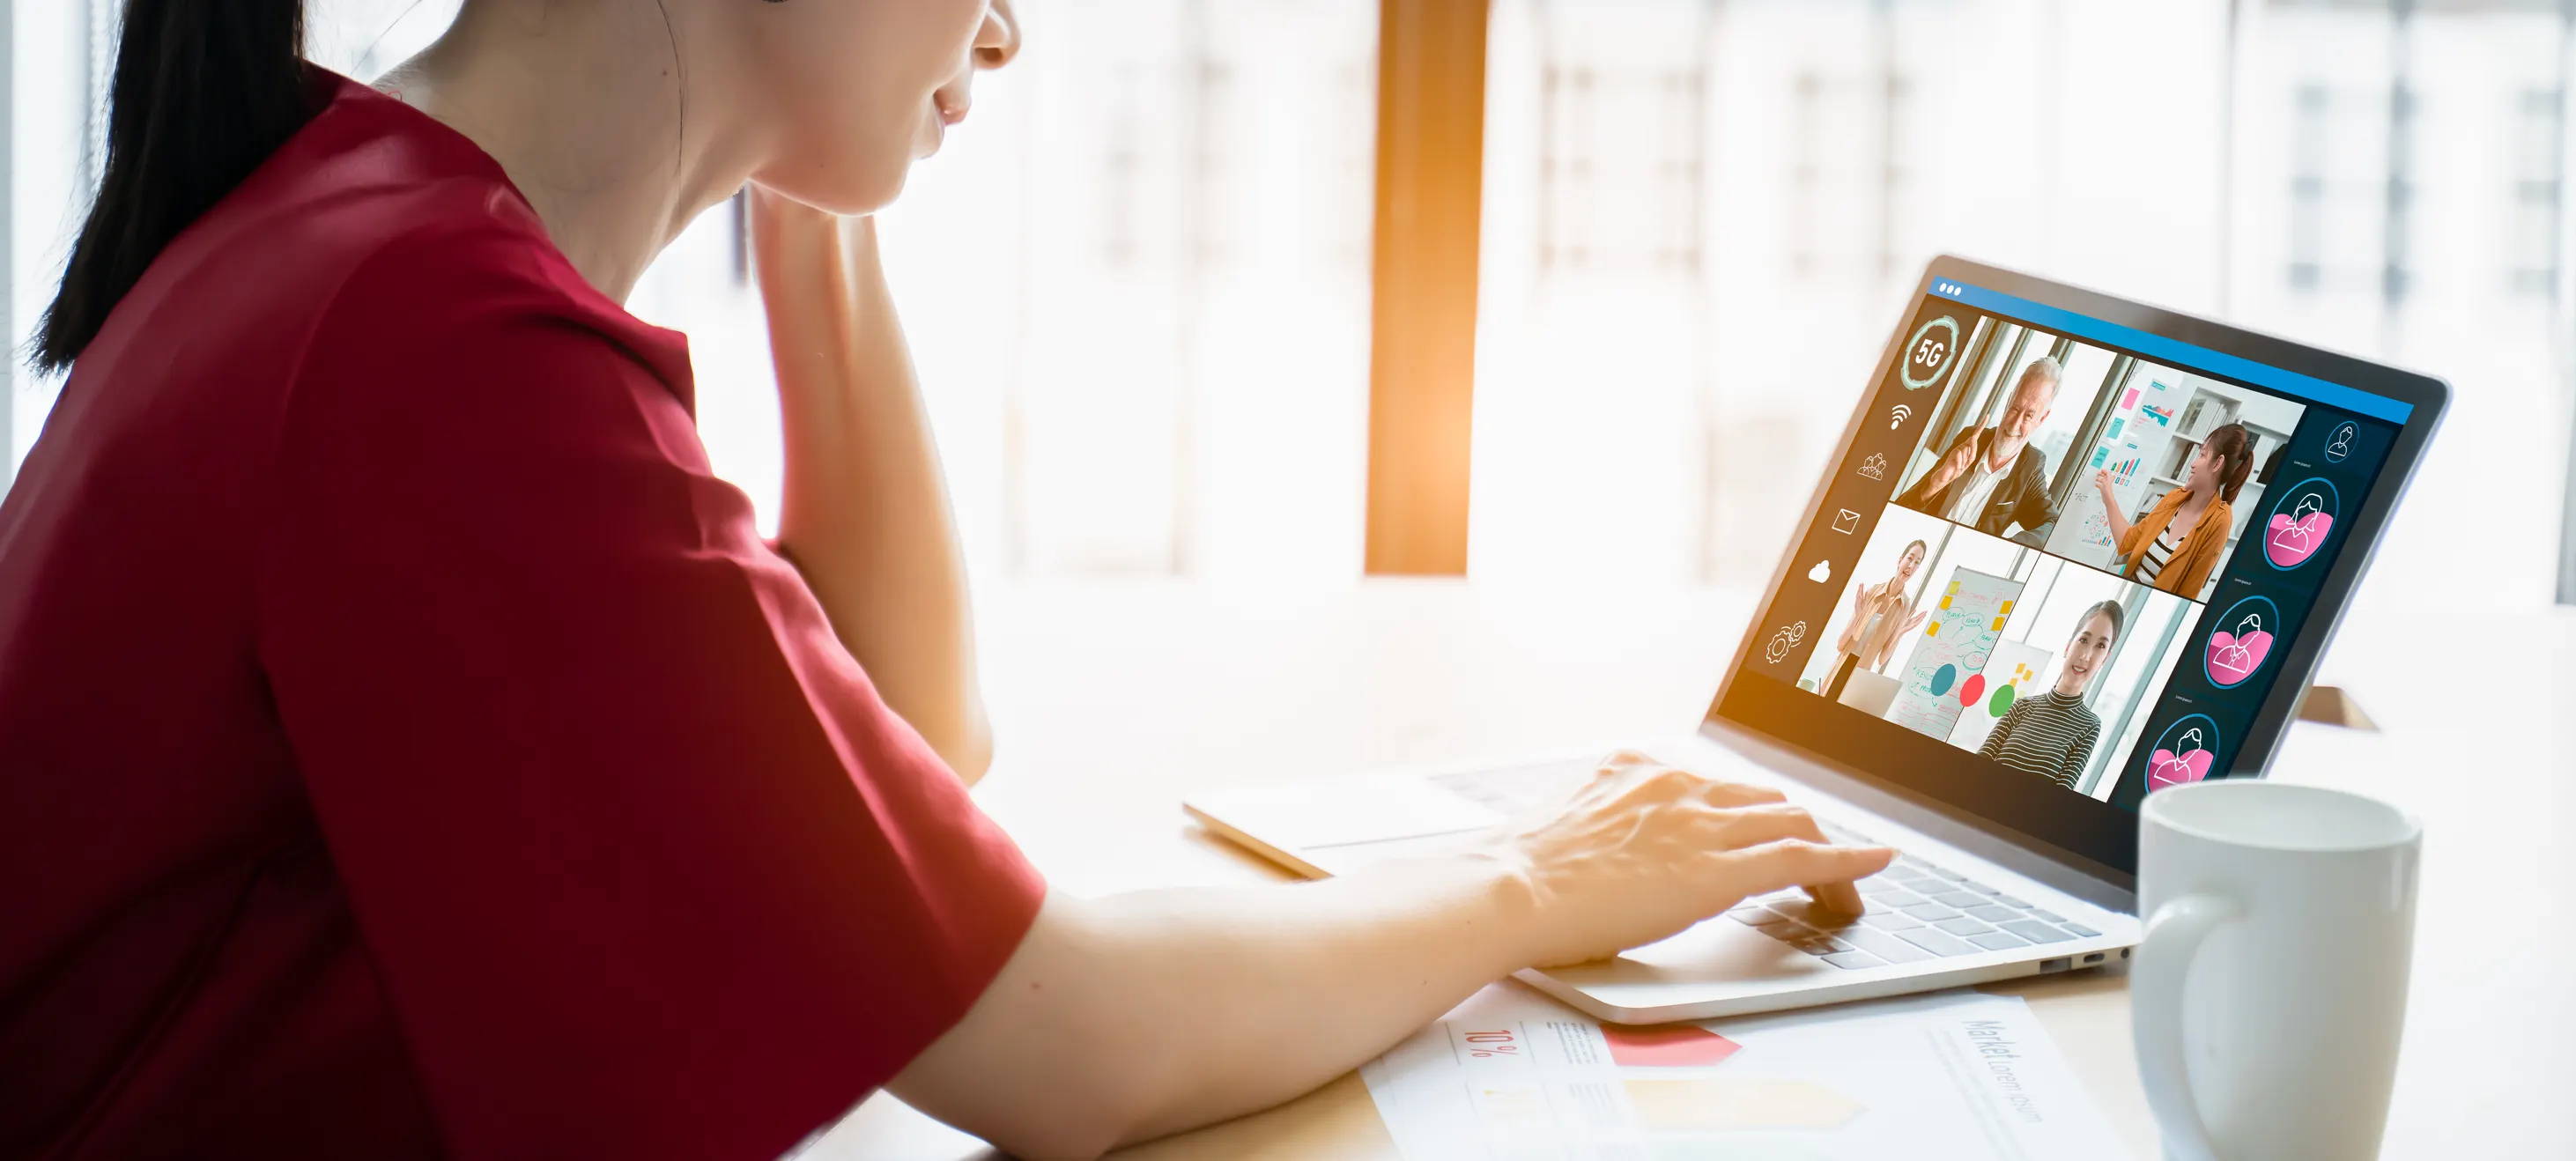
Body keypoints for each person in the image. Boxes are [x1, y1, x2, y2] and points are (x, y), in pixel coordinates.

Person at [0, 3, 1893, 1157]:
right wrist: (1542, 877)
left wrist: (800, 174)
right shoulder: (441, 346)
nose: (1005, 32)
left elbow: (903, 732)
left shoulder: (378, 218)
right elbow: (1060, 1041)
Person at [1902, 356, 2064, 543]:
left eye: (2028, 415)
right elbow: (1904, 505)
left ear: (2042, 419)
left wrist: (2009, 546)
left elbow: (2052, 526)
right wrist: (1936, 483)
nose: (2014, 425)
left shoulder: (2031, 467)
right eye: (2014, 409)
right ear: (2009, 398)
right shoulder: (1969, 439)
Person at [2094, 422, 2254, 598]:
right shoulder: (2173, 499)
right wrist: (2107, 495)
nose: (2193, 464)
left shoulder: (2220, 521)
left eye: (2202, 455)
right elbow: (2127, 542)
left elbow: (2188, 592)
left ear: (2218, 463)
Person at [1977, 600, 2124, 788]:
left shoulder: (2089, 726)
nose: (2086, 656)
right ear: (2068, 646)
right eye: (2083, 640)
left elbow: (2058, 801)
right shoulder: (2022, 706)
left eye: (2100, 646)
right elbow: (1978, 765)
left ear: (2105, 659)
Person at [1821, 539, 1927, 701]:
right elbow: (1841, 644)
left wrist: (1901, 633)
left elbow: (1882, 659)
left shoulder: (1904, 607)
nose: (1911, 566)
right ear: (1900, 560)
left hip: (1861, 676)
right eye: (1910, 558)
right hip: (1841, 666)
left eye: (1917, 562)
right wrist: (1857, 616)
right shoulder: (1873, 591)